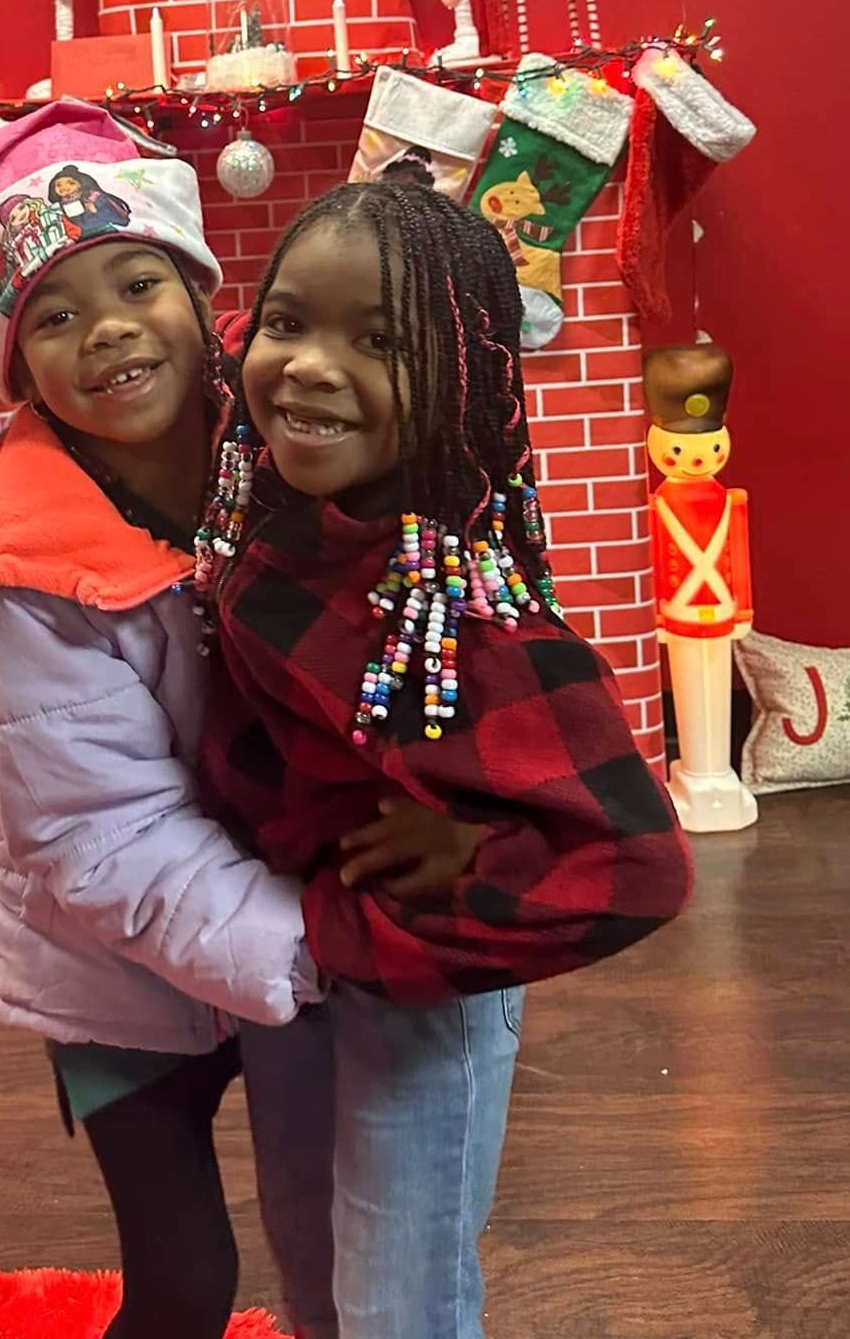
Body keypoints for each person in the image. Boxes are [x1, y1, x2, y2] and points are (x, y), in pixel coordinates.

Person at [0, 104, 475, 1339]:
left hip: (284, 929)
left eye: (137, 282)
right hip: (116, 977)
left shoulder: (284, 444)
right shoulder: (25, 591)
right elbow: (107, 844)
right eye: (53, 315)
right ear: (16, 367)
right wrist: (320, 942)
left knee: (330, 1234)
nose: (107, 327)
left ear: (200, 293)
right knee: (182, 1277)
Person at [194, 178, 694, 1339]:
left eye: (379, 342)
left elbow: (638, 863)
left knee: (398, 1303)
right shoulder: (265, 502)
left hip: (417, 986)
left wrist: (481, 845)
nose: (310, 365)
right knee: (310, 1267)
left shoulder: (466, 613)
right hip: (292, 960)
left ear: (462, 379)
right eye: (287, 322)